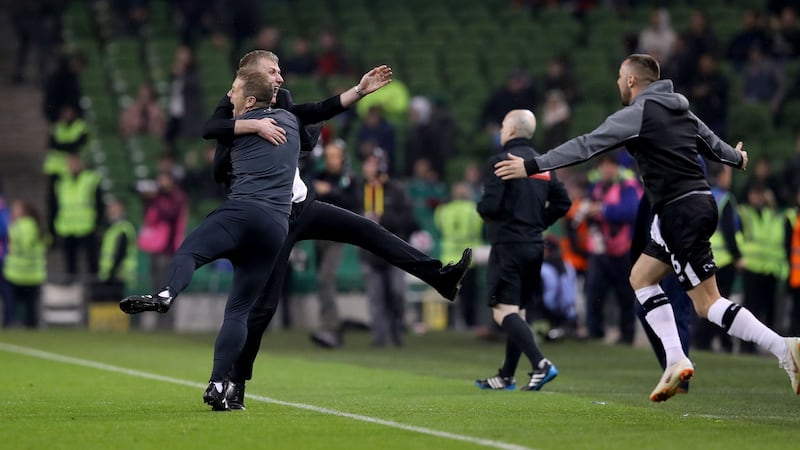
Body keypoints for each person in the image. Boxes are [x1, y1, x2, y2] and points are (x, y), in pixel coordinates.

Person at [494, 54, 800, 401]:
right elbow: (714, 145)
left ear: (630, 81)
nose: (618, 84)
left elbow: (587, 144)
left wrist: (533, 165)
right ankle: (674, 360)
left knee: (707, 303)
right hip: (693, 205)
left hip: (678, 211)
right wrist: (737, 158)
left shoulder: (639, 113)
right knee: (641, 277)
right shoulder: (681, 109)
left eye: (619, 78)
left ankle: (783, 348)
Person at [201, 50, 472, 409]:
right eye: (272, 70)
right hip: (270, 216)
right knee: (262, 309)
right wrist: (251, 124)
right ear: (250, 75)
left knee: (367, 231)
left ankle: (440, 276)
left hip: (302, 205)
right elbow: (212, 134)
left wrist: (358, 91)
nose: (280, 76)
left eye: (280, 69)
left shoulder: (282, 99)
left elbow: (313, 114)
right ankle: (234, 384)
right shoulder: (232, 102)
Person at [120, 68, 300, 412]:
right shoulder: (290, 124)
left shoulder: (234, 130)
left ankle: (166, 293)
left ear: (248, 101)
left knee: (190, 251)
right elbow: (307, 121)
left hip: (242, 211)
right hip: (276, 225)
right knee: (238, 311)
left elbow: (212, 133)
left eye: (233, 91)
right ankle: (219, 384)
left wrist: (245, 120)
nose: (228, 96)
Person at [475, 109, 571, 392]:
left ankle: (541, 364)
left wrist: (482, 210)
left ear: (513, 130)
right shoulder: (542, 164)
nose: (501, 129)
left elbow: (491, 206)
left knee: (502, 312)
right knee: (519, 311)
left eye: (504, 125)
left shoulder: (501, 161)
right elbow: (563, 203)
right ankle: (506, 375)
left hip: (508, 246)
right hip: (534, 245)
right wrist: (537, 222)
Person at [583, 153, 642, 345]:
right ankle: (595, 333)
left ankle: (627, 335)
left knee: (625, 294)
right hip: (601, 249)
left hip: (623, 249)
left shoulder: (628, 186)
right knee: (594, 291)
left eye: (610, 165)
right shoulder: (597, 186)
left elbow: (630, 211)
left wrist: (602, 210)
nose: (606, 170)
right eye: (603, 166)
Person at [309, 140, 360, 348]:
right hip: (318, 232)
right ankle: (328, 325)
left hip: (337, 235)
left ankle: (332, 327)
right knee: (322, 281)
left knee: (325, 278)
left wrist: (328, 191)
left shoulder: (347, 179)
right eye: (328, 155)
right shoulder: (319, 175)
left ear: (342, 157)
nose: (330, 160)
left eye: (334, 155)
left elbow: (353, 203)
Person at [52, 154, 103, 283]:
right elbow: (55, 205)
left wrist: (98, 223)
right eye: (69, 163)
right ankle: (72, 287)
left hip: (87, 226)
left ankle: (95, 289)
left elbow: (99, 203)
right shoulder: (62, 181)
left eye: (74, 163)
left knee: (92, 260)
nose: (72, 166)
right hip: (67, 226)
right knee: (70, 262)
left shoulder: (91, 179)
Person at [3, 200, 47, 328]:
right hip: (35, 274)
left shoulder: (17, 227)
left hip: (15, 273)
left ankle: (9, 325)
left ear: (24, 212)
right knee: (31, 308)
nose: (13, 212)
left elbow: (18, 245)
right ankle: (32, 329)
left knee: (10, 304)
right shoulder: (38, 226)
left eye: (16, 209)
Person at [94, 199, 137, 301]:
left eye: (113, 208)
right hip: (108, 275)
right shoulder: (111, 228)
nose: (110, 211)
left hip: (119, 276)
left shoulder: (123, 228)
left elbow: (121, 253)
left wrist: (112, 272)